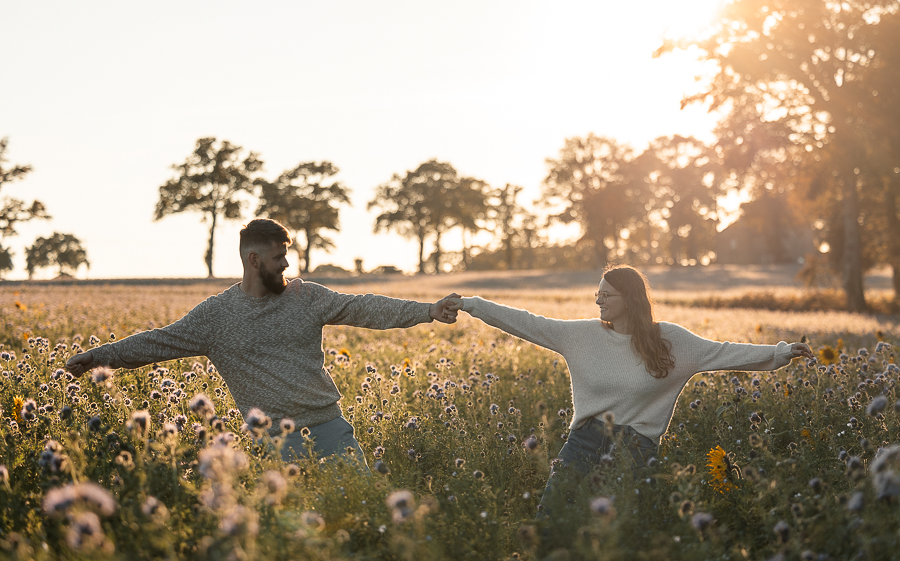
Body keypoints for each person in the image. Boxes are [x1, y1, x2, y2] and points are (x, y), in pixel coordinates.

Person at [66, 218, 461, 470]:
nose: (286, 265)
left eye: (287, 256)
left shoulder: (307, 296)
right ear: (253, 261)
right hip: (276, 447)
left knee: (359, 522)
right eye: (278, 258)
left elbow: (364, 308)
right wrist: (98, 357)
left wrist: (428, 310)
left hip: (330, 431)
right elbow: (156, 343)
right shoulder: (215, 317)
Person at [443, 264, 814, 515]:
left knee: (618, 529)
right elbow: (526, 322)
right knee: (551, 516)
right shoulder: (581, 336)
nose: (598, 300)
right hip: (585, 441)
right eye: (598, 294)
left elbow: (723, 352)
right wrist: (473, 305)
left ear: (630, 300)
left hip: (637, 449)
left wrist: (780, 351)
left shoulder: (670, 340)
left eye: (607, 295)